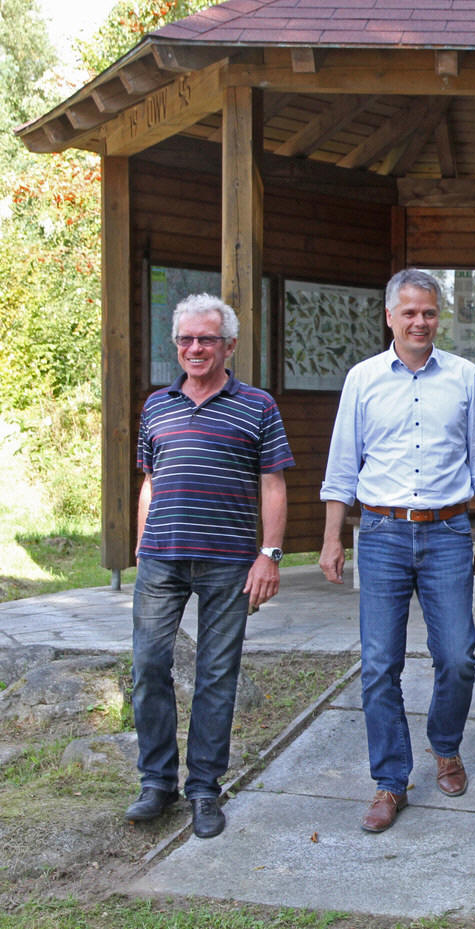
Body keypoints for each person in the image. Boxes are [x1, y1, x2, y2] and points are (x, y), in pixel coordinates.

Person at [319, 268, 475, 833]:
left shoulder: (465, 376)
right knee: (380, 664)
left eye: (428, 312)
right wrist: (332, 537)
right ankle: (389, 780)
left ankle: (445, 746)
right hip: (381, 534)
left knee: (458, 656)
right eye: (409, 313)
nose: (420, 322)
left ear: (437, 316)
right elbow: (342, 465)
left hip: (449, 532)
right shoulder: (363, 378)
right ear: (390, 317)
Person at [126, 293, 294, 839]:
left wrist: (269, 554)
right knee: (149, 668)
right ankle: (157, 783)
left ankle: (203, 790)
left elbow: (273, 483)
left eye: (206, 339)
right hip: (161, 561)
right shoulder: (156, 405)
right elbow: (149, 481)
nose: (195, 348)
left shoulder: (258, 406)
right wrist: (139, 544)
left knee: (216, 678)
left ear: (230, 346)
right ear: (176, 345)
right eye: (186, 340)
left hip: (228, 563)